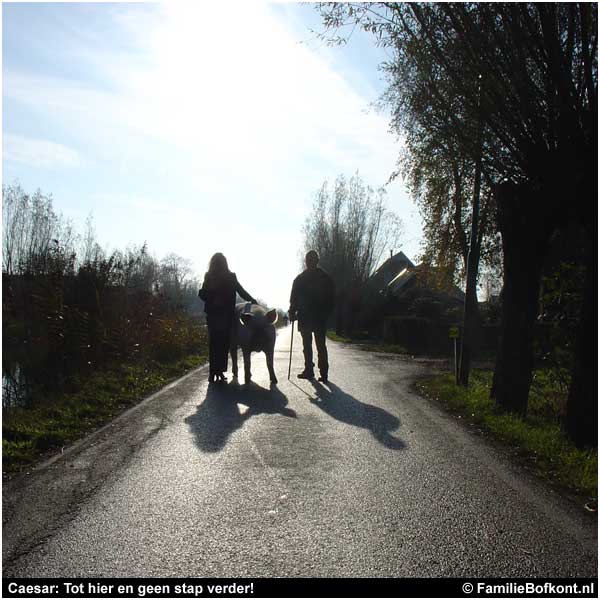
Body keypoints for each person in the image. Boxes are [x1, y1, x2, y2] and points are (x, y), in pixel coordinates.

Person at [198, 253, 256, 383]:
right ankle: (219, 371)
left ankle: (213, 372)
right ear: (225, 263)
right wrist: (252, 300)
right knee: (224, 343)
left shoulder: (209, 276)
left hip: (213, 315)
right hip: (226, 315)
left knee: (214, 343)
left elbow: (203, 293)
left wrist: (212, 299)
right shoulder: (230, 277)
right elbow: (241, 291)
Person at [289, 250, 335, 383]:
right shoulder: (324, 278)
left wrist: (292, 311)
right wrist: (292, 311)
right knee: (317, 345)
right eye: (309, 260)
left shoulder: (301, 279)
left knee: (311, 345)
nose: (309, 263)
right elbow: (294, 299)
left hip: (311, 317)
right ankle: (319, 372)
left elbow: (294, 299)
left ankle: (312, 371)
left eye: (310, 260)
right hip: (314, 317)